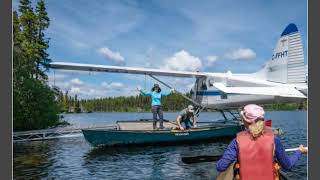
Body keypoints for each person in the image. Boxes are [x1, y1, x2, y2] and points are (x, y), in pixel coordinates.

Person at [216, 104, 307, 180]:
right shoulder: (274, 140)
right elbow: (288, 166)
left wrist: (227, 158)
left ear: (244, 120)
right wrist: (299, 151)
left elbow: (221, 167)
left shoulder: (236, 142)